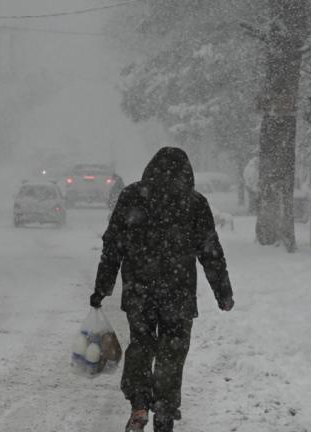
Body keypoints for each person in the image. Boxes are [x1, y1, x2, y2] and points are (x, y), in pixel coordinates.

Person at [89, 147, 234, 432]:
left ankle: (140, 403)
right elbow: (211, 252)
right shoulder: (194, 202)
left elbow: (112, 247)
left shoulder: (132, 196)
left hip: (139, 290)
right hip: (178, 293)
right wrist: (223, 293)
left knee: (141, 343)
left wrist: (102, 287)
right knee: (173, 350)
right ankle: (165, 411)